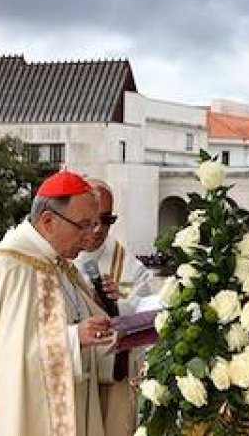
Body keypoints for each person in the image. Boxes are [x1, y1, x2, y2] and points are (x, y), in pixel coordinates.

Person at [0, 170, 118, 436]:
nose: (91, 236)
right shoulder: (9, 268)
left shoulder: (60, 266)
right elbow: (6, 360)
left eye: (95, 225)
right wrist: (73, 339)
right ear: (48, 221)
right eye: (83, 225)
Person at [74, 180, 152, 436]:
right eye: (91, 221)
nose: (98, 229)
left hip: (112, 384)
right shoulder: (60, 256)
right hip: (74, 376)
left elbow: (147, 321)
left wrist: (118, 303)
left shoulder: (131, 267)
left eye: (107, 220)